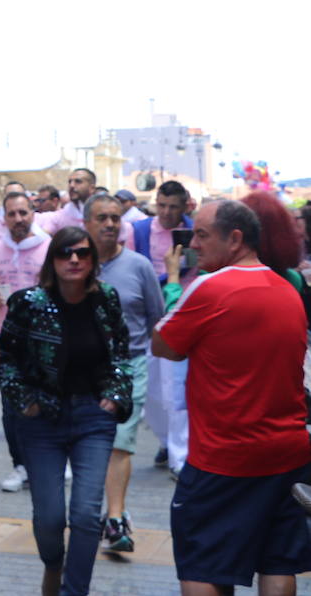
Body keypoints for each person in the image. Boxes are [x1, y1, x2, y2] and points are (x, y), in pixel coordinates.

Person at [153, 200, 311, 595]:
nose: (194, 245)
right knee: (277, 562)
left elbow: (165, 344)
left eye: (203, 235)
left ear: (235, 238)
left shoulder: (211, 287)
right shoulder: (288, 290)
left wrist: (175, 283)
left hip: (223, 459)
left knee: (205, 567)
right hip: (287, 453)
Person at [0, 226, 132, 596]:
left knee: (87, 515)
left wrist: (116, 394)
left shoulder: (105, 299)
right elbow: (5, 357)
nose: (74, 260)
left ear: (93, 260)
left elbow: (121, 352)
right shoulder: (28, 302)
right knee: (50, 518)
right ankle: (53, 566)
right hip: (42, 420)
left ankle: (75, 591)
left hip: (93, 417)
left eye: (83, 253)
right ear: (52, 259)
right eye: (65, 253)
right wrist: (24, 400)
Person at [80, 195, 163, 554]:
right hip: (82, 369)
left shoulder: (139, 266)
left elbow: (156, 317)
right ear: (87, 223)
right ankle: (90, 513)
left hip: (130, 365)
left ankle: (115, 520)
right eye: (102, 218)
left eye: (116, 217)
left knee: (121, 440)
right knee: (89, 443)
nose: (110, 224)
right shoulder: (72, 262)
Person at [0, 190, 49, 494]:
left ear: (33, 213)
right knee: (10, 409)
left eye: (24, 213)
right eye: (12, 214)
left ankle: (51, 460)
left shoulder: (49, 248)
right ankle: (19, 464)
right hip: (7, 343)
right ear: (3, 217)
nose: (19, 219)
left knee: (47, 402)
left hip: (46, 342)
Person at [133, 180, 194, 476]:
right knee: (153, 391)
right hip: (152, 318)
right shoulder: (141, 230)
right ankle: (164, 440)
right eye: (162, 206)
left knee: (178, 388)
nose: (167, 213)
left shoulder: (195, 231)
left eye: (173, 207)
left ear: (185, 207)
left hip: (185, 315)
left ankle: (180, 454)